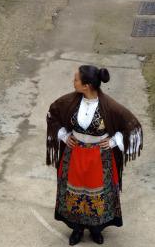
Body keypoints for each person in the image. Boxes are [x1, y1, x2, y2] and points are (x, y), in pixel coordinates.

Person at [46, 65, 143, 245]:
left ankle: (95, 229)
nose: (73, 82)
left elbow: (132, 126)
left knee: (98, 195)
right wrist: (64, 135)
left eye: (76, 79)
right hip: (74, 156)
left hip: (99, 158)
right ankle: (77, 229)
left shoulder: (109, 106)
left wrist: (114, 141)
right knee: (73, 192)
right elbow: (52, 114)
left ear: (87, 85)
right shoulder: (70, 101)